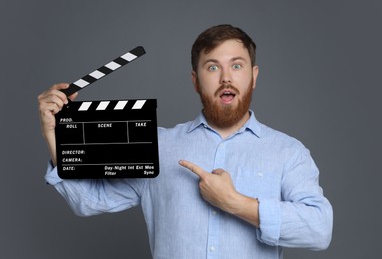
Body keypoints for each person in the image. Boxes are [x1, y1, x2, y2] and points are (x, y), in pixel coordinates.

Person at [38, 24, 333, 258]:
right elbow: (90, 201)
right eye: (213, 67)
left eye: (237, 66)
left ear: (254, 76)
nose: (226, 78)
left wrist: (236, 203)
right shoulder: (159, 146)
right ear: (195, 80)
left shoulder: (287, 151)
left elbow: (319, 229)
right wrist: (55, 136)